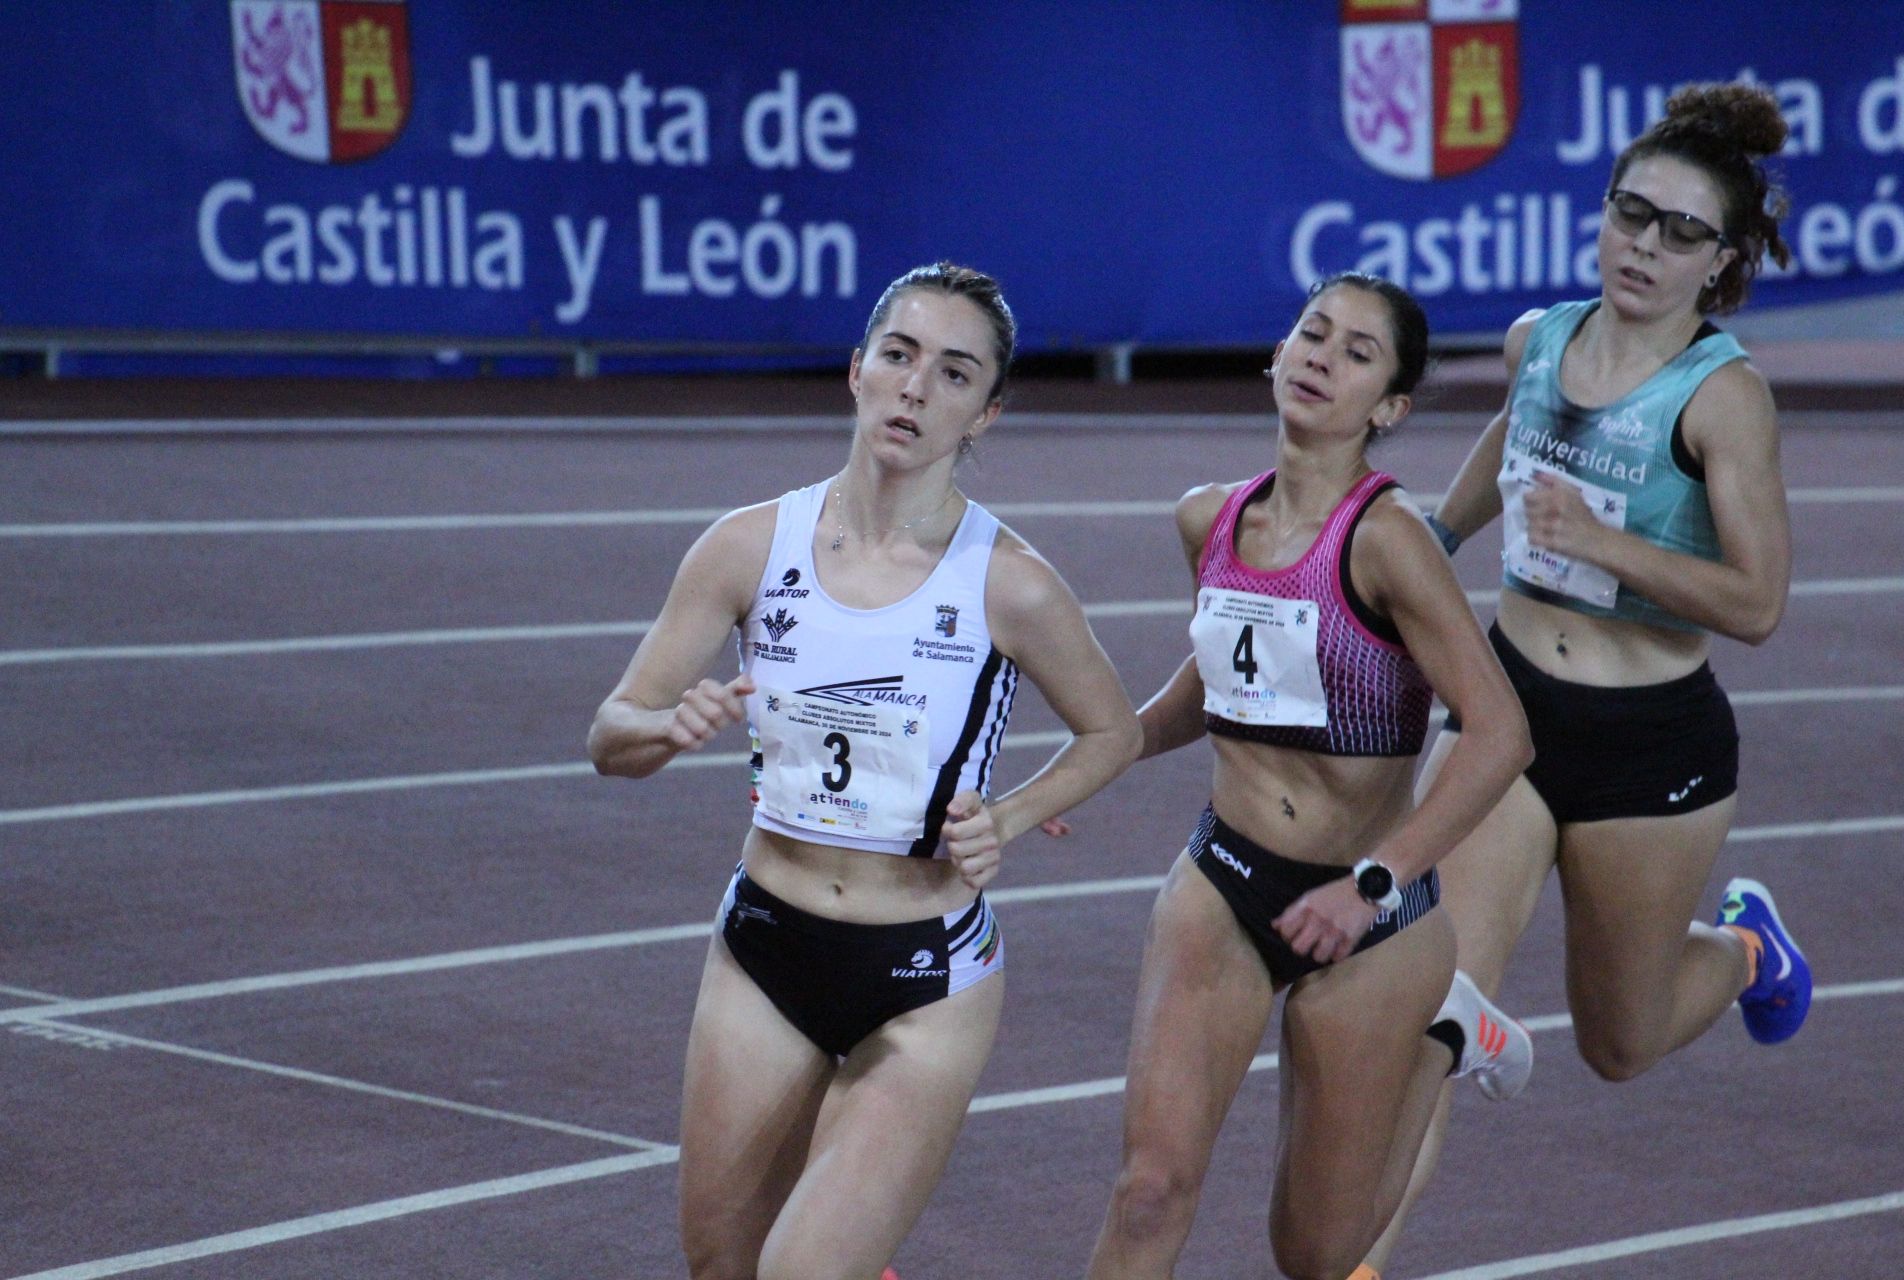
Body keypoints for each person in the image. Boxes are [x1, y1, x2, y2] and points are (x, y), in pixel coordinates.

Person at [588, 262, 1142, 1280]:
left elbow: (1115, 730)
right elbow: (610, 729)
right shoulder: (748, 546)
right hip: (763, 945)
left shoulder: (1012, 583)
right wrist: (667, 728)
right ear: (857, 371)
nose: (916, 387)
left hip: (923, 974)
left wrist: (1009, 818)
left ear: (987, 413)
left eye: (954, 373)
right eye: (899, 355)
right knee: (721, 1261)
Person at [1352, 82, 1808, 1280]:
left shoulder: (1722, 398)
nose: (1644, 249)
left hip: (1651, 740)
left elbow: (1760, 602)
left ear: (1723, 262)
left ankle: (1751, 949)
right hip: (1506, 705)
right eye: (1630, 215)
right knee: (1430, 1007)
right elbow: (1514, 434)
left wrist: (1608, 544)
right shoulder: (1539, 337)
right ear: (1600, 215)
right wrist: (1430, 543)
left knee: (1622, 1038)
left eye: (1680, 233)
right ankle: (1356, 1263)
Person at [1081, 272, 1535, 1280]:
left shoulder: (1390, 542)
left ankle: (1442, 1029)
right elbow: (1220, 688)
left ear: (1391, 407)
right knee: (1149, 1186)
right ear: (1276, 352)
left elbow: (1502, 735)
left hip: (1372, 915)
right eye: (1312, 332)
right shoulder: (1211, 520)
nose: (1323, 355)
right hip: (1225, 882)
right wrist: (1086, 763)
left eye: (1357, 351)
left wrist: (1371, 882)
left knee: (1316, 1251)